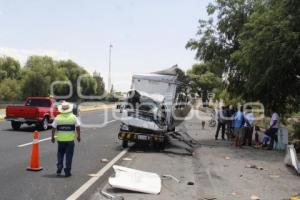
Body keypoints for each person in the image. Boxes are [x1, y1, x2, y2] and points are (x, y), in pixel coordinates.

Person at [51, 101, 81, 177]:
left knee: (60, 154)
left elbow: (53, 127)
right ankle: (67, 171)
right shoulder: (73, 117)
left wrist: (52, 137)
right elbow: (78, 127)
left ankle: (59, 166)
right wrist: (78, 136)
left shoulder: (58, 117)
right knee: (69, 156)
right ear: (69, 109)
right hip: (70, 141)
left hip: (60, 140)